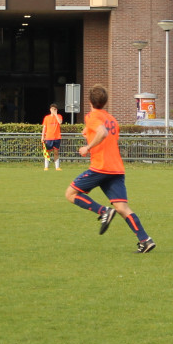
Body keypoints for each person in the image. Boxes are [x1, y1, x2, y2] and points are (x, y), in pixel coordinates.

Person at [64, 85, 156, 253]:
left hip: (100, 167)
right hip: (116, 169)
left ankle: (103, 211)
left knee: (70, 194)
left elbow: (102, 133)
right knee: (122, 208)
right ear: (105, 102)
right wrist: (88, 133)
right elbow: (104, 134)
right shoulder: (112, 119)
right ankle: (145, 240)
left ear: (90, 101)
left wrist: (88, 147)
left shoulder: (92, 116)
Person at [41, 103, 63, 170]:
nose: (53, 110)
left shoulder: (59, 116)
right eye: (52, 109)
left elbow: (60, 122)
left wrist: (55, 115)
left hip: (57, 137)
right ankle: (46, 166)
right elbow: (44, 127)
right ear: (50, 109)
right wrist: (42, 136)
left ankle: (57, 167)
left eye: (55, 109)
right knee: (48, 152)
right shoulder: (47, 118)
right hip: (49, 137)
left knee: (56, 152)